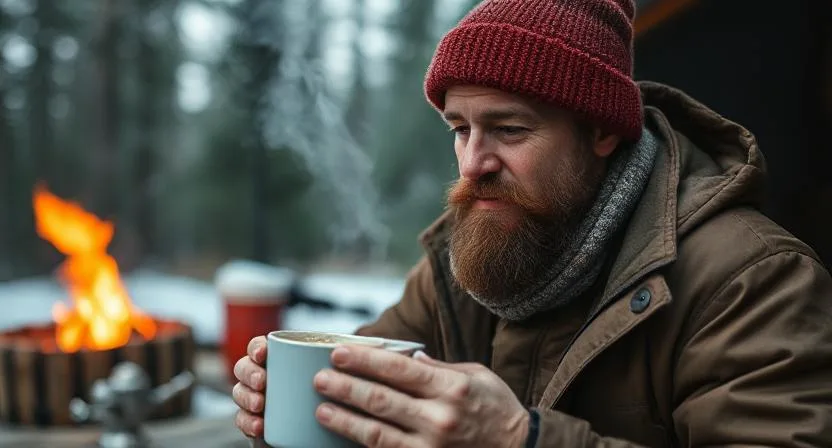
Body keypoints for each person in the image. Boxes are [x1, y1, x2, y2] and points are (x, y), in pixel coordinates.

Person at [232, 0, 832, 446]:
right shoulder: (460, 255)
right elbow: (370, 401)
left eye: (511, 130)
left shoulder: (753, 280)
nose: (474, 164)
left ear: (602, 131)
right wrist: (301, 412)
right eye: (460, 130)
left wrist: (520, 439)